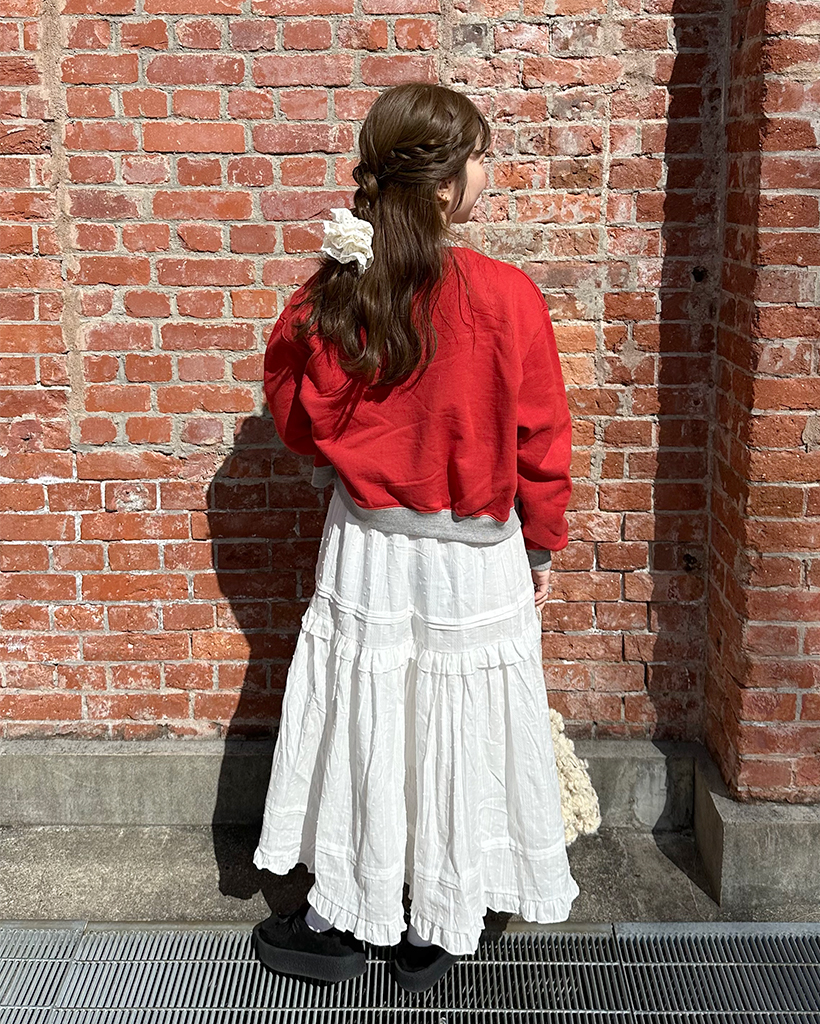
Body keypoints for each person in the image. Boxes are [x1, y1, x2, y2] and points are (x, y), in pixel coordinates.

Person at [251, 81, 580, 993]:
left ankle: (343, 912)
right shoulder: (507, 296)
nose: (487, 174)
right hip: (476, 555)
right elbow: (542, 438)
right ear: (443, 184)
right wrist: (542, 543)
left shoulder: (336, 290)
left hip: (369, 548)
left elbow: (292, 408)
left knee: (370, 721)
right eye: (480, 158)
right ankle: (439, 920)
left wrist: (341, 454)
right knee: (456, 729)